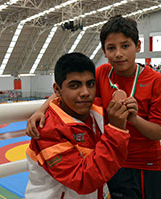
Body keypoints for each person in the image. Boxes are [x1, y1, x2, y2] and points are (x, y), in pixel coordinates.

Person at [26, 15, 161, 199]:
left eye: (125, 46)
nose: (118, 53)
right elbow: (71, 85)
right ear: (104, 50)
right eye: (111, 48)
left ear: (138, 46)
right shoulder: (102, 73)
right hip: (113, 161)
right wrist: (41, 109)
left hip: (147, 164)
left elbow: (158, 132)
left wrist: (133, 118)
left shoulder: (155, 80)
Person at [25, 52, 130, 199]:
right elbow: (82, 180)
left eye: (90, 84)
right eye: (74, 85)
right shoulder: (46, 129)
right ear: (57, 89)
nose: (85, 92)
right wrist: (116, 129)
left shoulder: (97, 109)